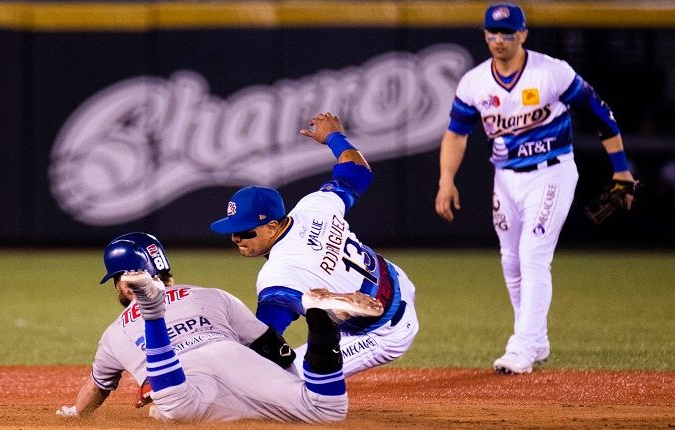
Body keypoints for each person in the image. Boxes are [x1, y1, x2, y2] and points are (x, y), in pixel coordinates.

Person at [434, 3, 637, 374]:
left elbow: (600, 114)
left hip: (552, 173)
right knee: (511, 262)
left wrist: (621, 171)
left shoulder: (551, 73)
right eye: (492, 33)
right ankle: (536, 338)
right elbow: (456, 134)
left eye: (507, 33)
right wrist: (446, 179)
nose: (498, 40)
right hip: (506, 177)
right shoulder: (475, 82)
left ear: (523, 34)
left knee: (533, 255)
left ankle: (523, 347)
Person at [56, 232, 384, 423]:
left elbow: (96, 388)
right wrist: (285, 382)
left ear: (123, 284)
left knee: (174, 409)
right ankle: (321, 321)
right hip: (229, 353)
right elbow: (272, 345)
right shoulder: (212, 295)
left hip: (179, 375)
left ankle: (152, 313)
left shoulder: (114, 333)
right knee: (328, 411)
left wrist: (76, 414)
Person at [210, 112, 419, 377]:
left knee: (281, 377)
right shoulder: (313, 206)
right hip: (395, 280)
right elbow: (358, 171)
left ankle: (330, 314)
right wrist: (335, 137)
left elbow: (267, 333)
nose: (235, 239)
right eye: (232, 232)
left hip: (384, 330)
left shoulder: (278, 273)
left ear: (272, 226)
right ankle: (332, 310)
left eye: (244, 232)